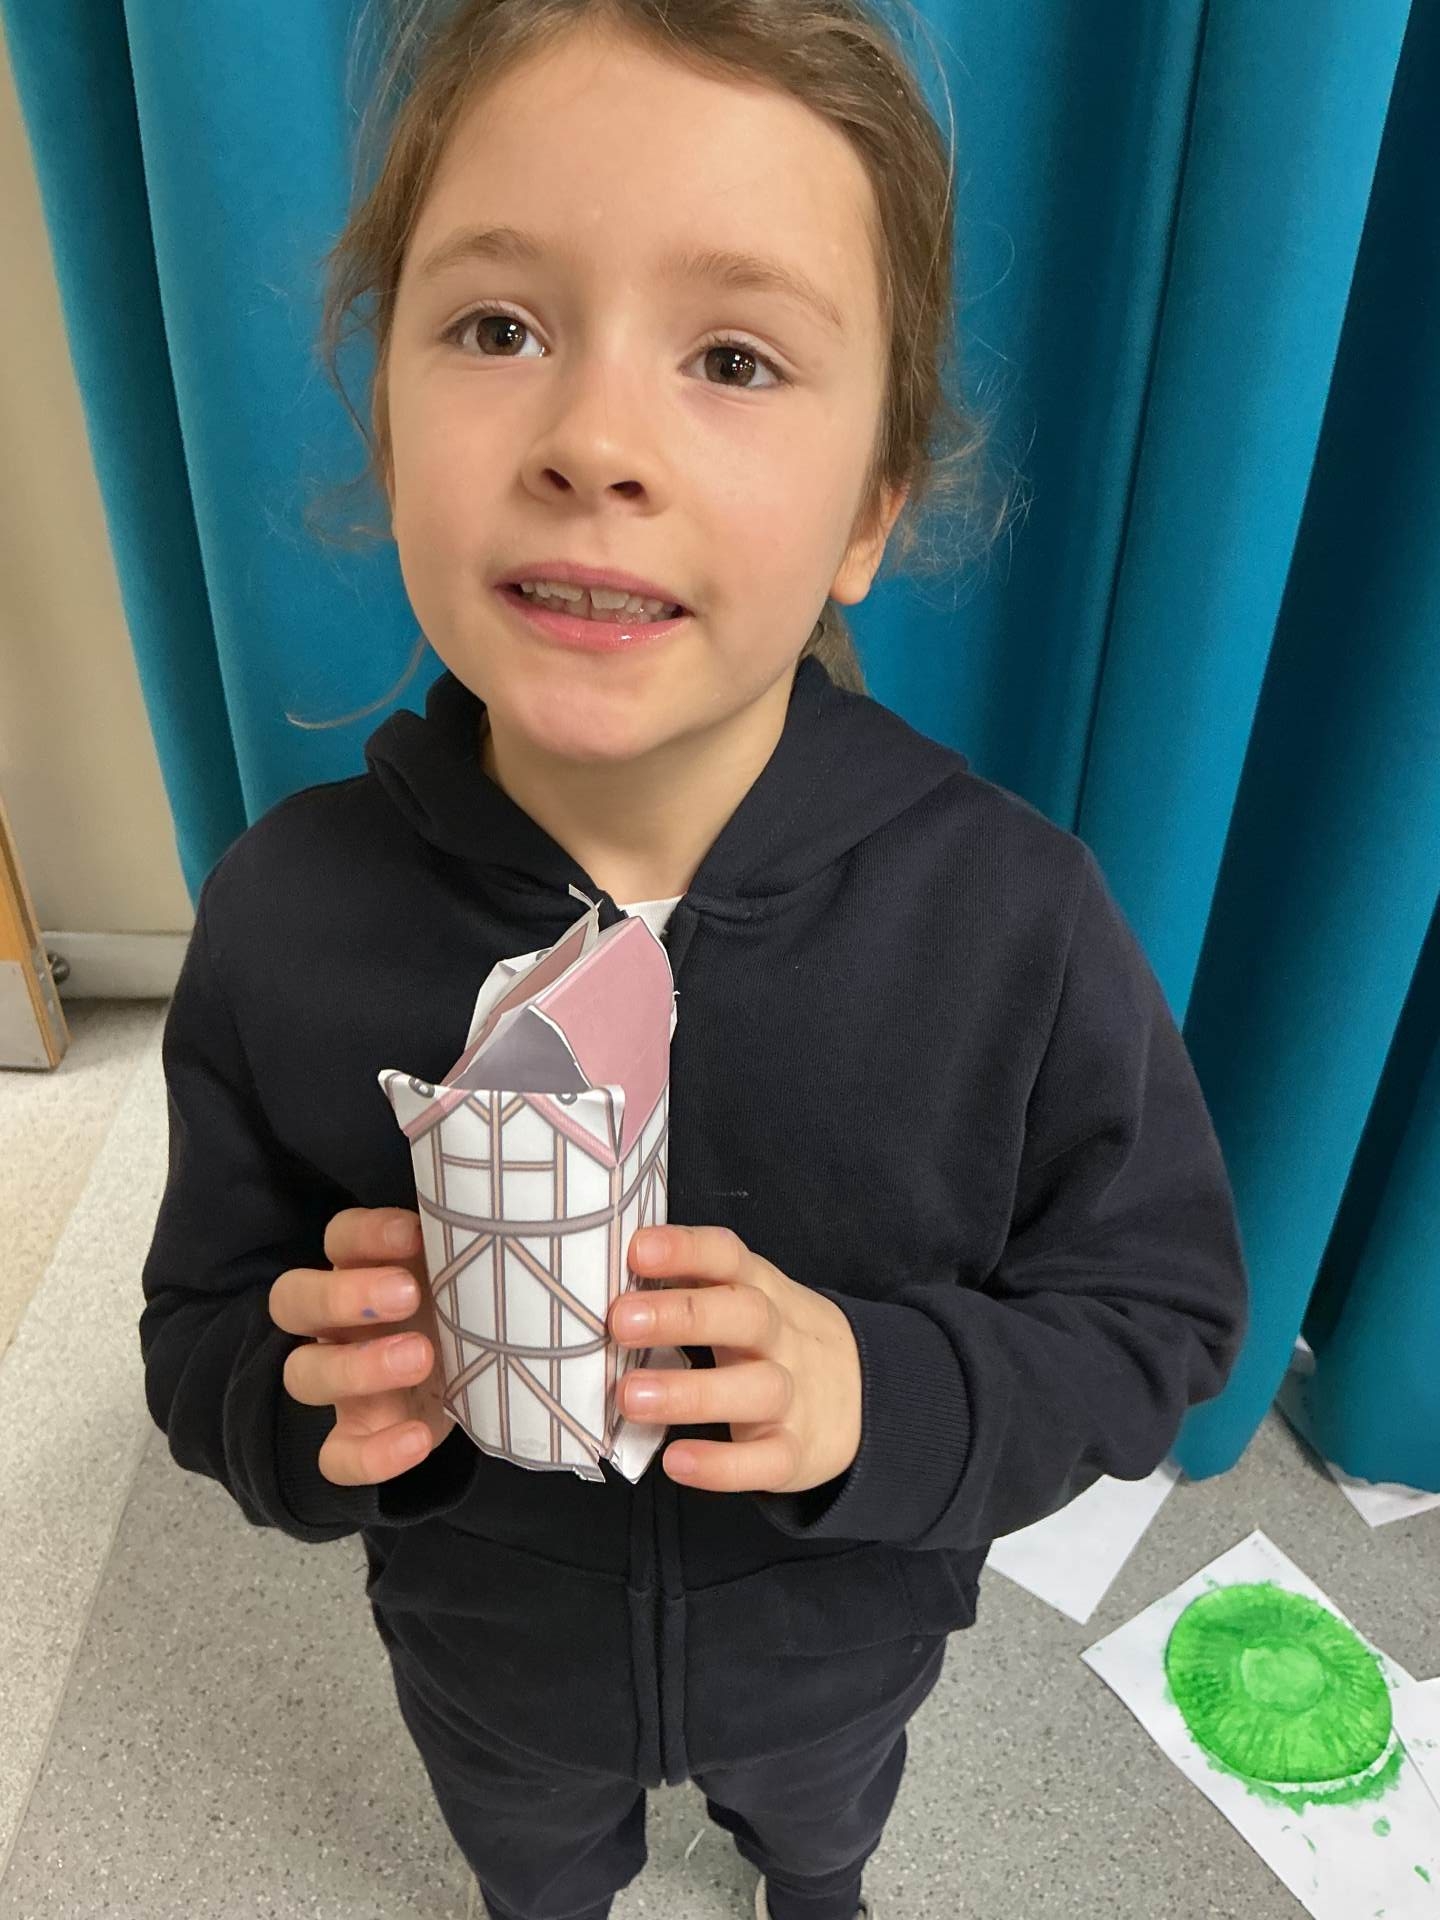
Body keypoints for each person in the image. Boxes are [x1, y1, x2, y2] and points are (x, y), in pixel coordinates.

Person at [138, 4, 1251, 1919]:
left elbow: (1158, 1320)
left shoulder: (1017, 922)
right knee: (533, 1864)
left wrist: (881, 1391)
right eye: (500, 327)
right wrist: (308, 1404)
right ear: (386, 418)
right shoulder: (280, 918)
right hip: (492, 1669)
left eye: (734, 358)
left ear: (871, 508)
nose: (593, 443)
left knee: (824, 1836)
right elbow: (199, 1339)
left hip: (840, 1660)